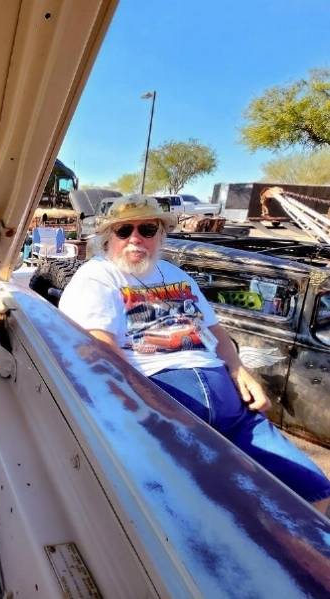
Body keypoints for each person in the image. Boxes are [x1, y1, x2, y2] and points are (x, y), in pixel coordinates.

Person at [59, 194, 330, 512]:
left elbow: (218, 334)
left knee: (315, 489)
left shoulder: (178, 276)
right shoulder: (97, 276)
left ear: (160, 233)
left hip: (231, 405)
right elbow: (100, 348)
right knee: (209, 509)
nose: (135, 238)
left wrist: (239, 369)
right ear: (109, 237)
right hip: (166, 400)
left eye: (146, 229)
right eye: (123, 230)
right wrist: (144, 407)